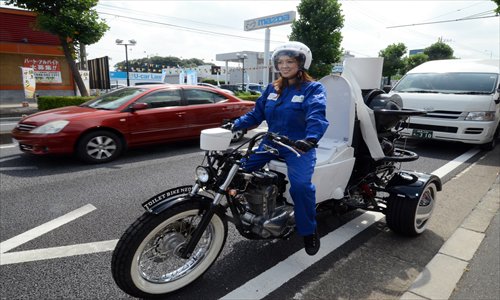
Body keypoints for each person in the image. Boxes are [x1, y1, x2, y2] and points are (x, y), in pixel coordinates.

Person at [225, 41, 329, 256]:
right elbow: (256, 114)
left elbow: (316, 114)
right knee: (236, 168)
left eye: (289, 61)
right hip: (270, 142)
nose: (284, 66)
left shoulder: (314, 88)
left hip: (297, 146)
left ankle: (308, 230)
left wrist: (310, 139)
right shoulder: (273, 88)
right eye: (280, 62)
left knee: (301, 187)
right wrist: (234, 124)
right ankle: (248, 209)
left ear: (301, 63)